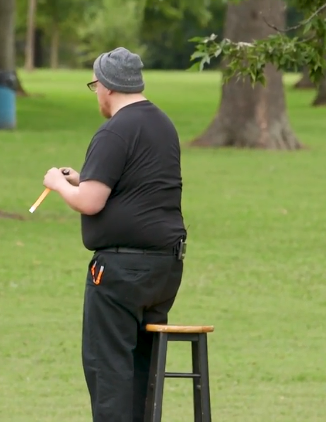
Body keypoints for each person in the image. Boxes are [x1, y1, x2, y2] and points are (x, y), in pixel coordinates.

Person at [41, 47, 188, 422]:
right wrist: (81, 178)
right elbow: (137, 185)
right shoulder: (162, 124)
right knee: (141, 367)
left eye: (95, 86)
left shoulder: (114, 130)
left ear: (106, 86)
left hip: (121, 270)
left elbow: (90, 202)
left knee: (108, 368)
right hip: (165, 267)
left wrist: (58, 184)